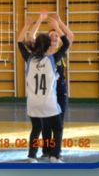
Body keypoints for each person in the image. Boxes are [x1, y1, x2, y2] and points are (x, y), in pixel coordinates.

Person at [18, 12, 70, 164]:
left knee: (36, 128)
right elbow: (66, 44)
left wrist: (26, 26)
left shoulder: (29, 59)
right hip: (48, 102)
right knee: (58, 128)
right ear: (48, 45)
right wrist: (57, 27)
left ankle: (31, 155)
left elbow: (20, 42)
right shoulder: (52, 59)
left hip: (33, 102)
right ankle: (55, 156)